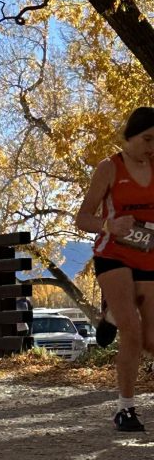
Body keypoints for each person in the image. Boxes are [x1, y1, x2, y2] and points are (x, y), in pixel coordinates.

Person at [75, 106, 154, 432]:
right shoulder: (109, 168)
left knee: (151, 340)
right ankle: (125, 409)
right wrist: (109, 224)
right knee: (132, 330)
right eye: (148, 139)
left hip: (148, 256)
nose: (152, 148)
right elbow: (82, 219)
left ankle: (108, 314)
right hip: (113, 256)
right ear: (130, 136)